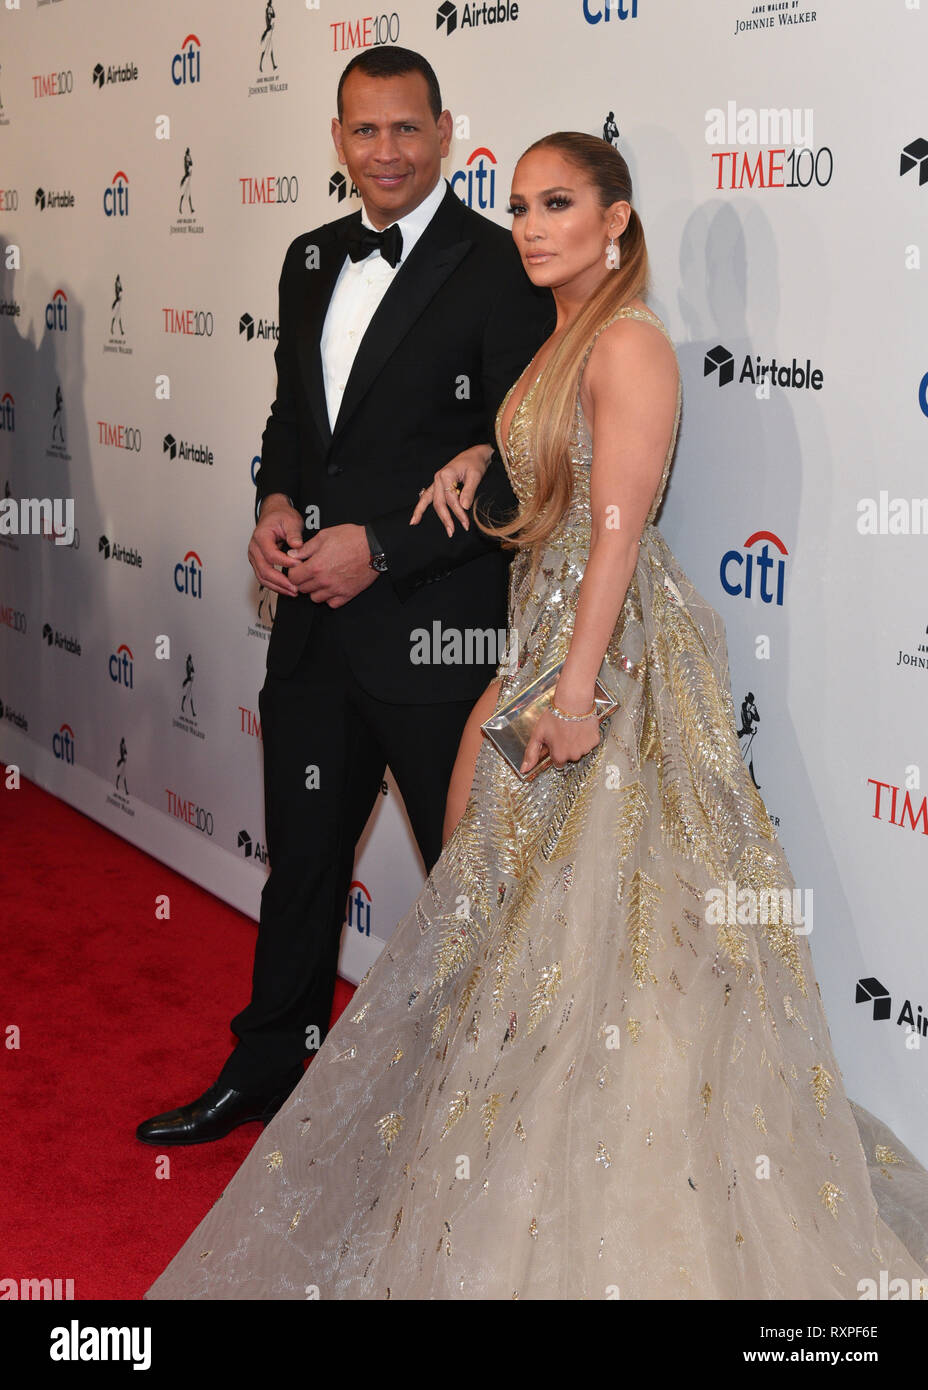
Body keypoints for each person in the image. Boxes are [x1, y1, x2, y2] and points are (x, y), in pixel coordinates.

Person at [144, 133, 928, 1299]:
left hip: (604, 663)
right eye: (518, 205)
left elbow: (616, 530)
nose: (531, 224)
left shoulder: (630, 341)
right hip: (545, 641)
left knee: (610, 927)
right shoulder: (563, 337)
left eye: (558, 204)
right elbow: (553, 476)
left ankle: (636, 1194)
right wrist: (477, 454)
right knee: (517, 916)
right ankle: (518, 1156)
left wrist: (573, 693)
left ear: (616, 219)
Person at [136, 47, 553, 1148]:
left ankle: (493, 1113)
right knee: (303, 864)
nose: (385, 151)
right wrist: (275, 500)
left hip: (438, 633)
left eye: (406, 129)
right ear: (337, 138)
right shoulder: (309, 256)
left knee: (474, 884)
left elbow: (519, 463)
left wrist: (383, 548)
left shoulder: (502, 266)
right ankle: (266, 1068)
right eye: (364, 131)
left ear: (447, 131)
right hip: (314, 627)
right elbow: (294, 418)